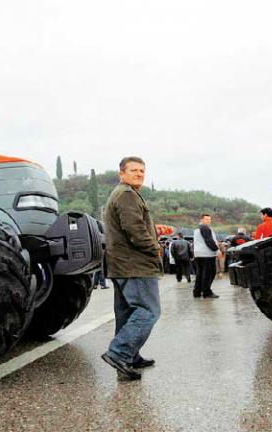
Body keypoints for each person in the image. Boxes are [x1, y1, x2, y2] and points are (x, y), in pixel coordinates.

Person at [100, 156, 161, 381]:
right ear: (122, 174)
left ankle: (130, 357)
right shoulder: (126, 194)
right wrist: (154, 248)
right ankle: (119, 353)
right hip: (134, 265)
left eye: (142, 171)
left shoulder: (123, 194)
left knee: (126, 313)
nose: (139, 174)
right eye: (133, 170)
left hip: (121, 265)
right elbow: (134, 229)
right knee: (148, 310)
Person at [192, 213, 220, 299]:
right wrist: (217, 250)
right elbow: (209, 240)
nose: (208, 221)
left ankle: (197, 291)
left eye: (209, 219)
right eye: (206, 219)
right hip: (207, 254)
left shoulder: (197, 229)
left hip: (199, 254)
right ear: (201, 220)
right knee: (209, 273)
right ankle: (207, 292)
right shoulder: (205, 228)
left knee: (200, 274)